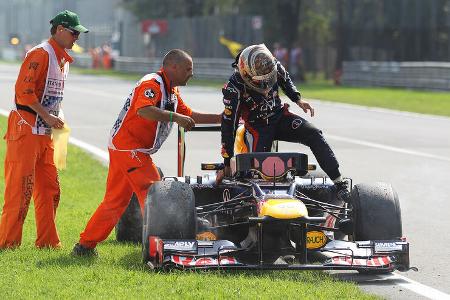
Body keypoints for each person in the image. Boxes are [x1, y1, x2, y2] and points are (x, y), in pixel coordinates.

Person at [72, 49, 221, 256]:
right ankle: (166, 247)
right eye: (188, 69)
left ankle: (84, 246)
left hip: (125, 148)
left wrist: (222, 118)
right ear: (173, 67)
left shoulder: (171, 91)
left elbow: (189, 115)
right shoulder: (152, 84)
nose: (191, 73)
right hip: (129, 148)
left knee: (115, 202)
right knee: (156, 193)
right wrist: (175, 118)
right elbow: (144, 110)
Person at [216, 44, 351, 202]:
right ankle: (254, 203)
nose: (266, 86)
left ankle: (339, 182)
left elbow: (286, 80)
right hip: (257, 127)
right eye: (260, 82)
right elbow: (228, 124)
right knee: (257, 170)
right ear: (246, 75)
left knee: (314, 134)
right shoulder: (234, 87)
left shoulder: (272, 65)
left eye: (269, 79)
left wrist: (298, 99)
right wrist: (226, 160)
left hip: (280, 117)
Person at [0, 10, 89, 249]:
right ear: (60, 30)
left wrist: (55, 118)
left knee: (51, 189)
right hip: (26, 130)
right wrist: (47, 116)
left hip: (45, 133)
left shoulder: (62, 60)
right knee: (21, 190)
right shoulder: (40, 54)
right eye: (73, 33)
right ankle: (8, 243)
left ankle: (48, 242)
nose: (76, 39)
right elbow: (24, 93)